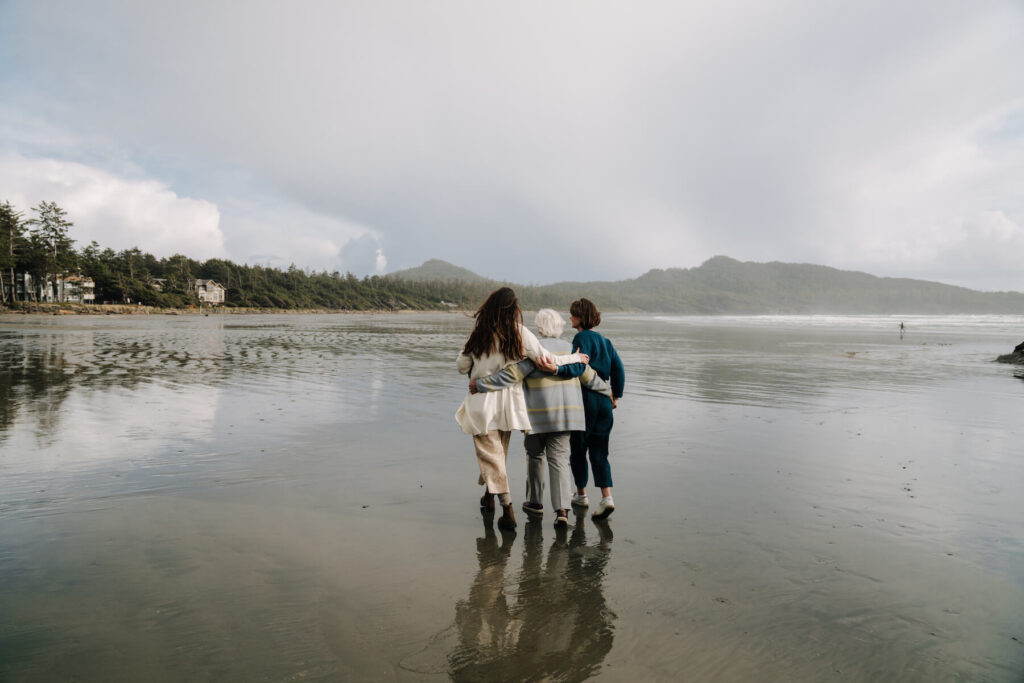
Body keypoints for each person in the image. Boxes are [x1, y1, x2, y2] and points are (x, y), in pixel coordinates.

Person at [469, 309, 612, 527]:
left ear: (539, 328)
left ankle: (535, 503)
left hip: (537, 418)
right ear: (560, 327)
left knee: (535, 456)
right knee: (559, 460)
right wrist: (608, 391)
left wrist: (480, 385)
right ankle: (562, 511)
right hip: (567, 418)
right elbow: (588, 376)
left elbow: (511, 375)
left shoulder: (534, 350)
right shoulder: (572, 349)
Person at [456, 288, 585, 530]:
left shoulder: (479, 332)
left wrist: (478, 364)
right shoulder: (520, 332)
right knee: (497, 455)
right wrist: (576, 359)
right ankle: (489, 495)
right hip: (509, 407)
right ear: (513, 308)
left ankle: (507, 508)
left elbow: (461, 367)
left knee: (491, 455)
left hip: (482, 403)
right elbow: (548, 360)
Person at [555, 298, 624, 520]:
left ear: (580, 316)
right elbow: (619, 370)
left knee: (578, 448)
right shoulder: (606, 341)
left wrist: (556, 369)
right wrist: (616, 395)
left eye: (572, 314)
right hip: (604, 402)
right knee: (600, 451)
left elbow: (578, 365)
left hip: (585, 400)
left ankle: (582, 495)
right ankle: (607, 498)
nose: (570, 318)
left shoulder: (581, 337)